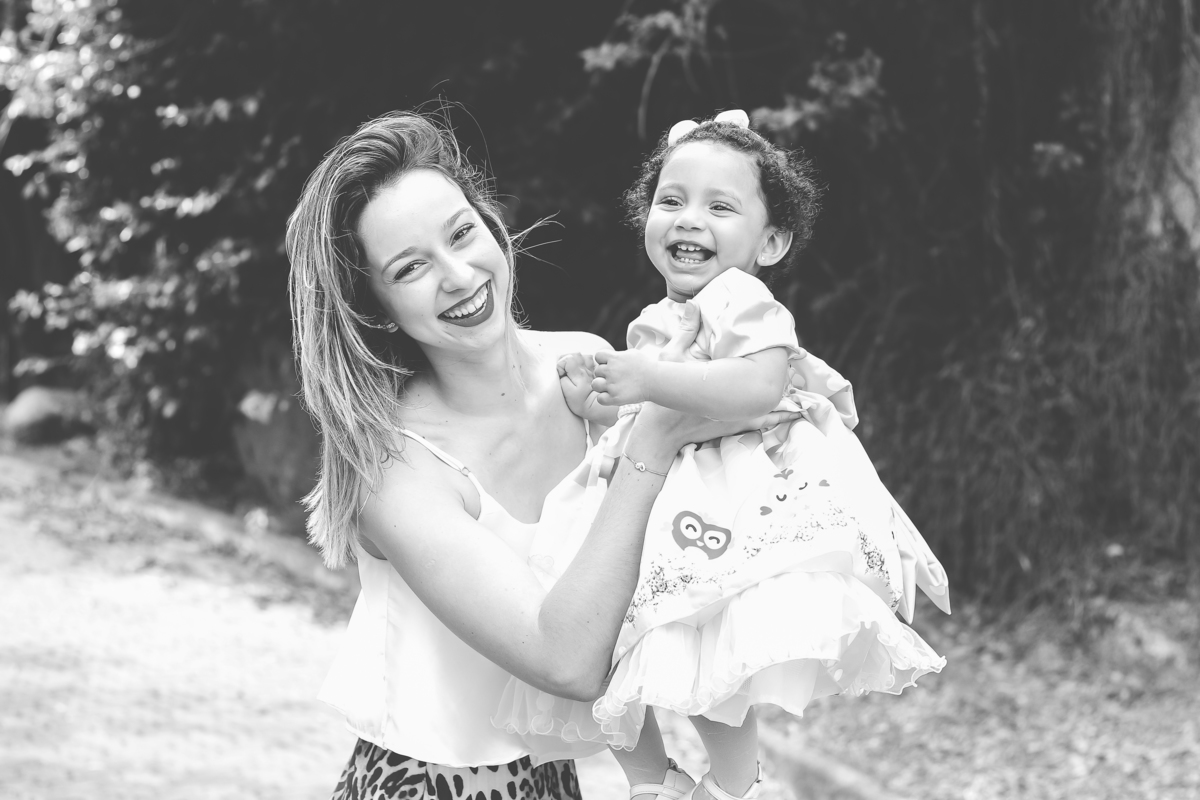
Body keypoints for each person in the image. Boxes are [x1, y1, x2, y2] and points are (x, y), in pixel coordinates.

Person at [286, 111, 803, 800]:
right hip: (423, 786)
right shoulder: (392, 467)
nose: (458, 274)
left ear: (491, 227)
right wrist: (652, 443)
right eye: (410, 268)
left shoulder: (583, 371)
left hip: (554, 780)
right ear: (376, 306)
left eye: (461, 233)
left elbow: (676, 549)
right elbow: (566, 662)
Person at [492, 111, 952, 800]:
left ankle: (736, 785)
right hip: (643, 494)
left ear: (771, 241)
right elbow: (647, 411)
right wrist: (600, 400)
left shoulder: (741, 298)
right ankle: (655, 781)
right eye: (671, 200)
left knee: (705, 638)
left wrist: (648, 379)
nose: (689, 219)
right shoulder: (658, 317)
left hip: (718, 494)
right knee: (597, 633)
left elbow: (759, 383)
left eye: (720, 207)